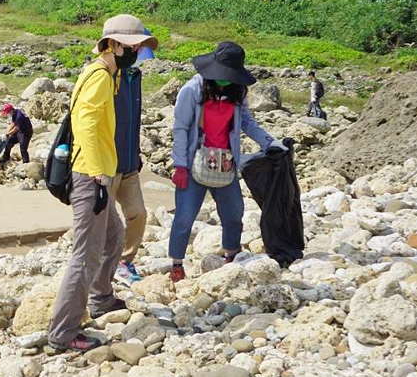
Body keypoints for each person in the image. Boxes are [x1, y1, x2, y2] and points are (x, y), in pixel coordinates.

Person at [48, 19, 146, 353]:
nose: (136, 52)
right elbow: (86, 124)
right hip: (92, 176)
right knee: (84, 256)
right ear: (114, 45)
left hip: (96, 172)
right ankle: (63, 332)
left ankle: (101, 298)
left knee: (114, 235)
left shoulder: (107, 75)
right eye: (131, 47)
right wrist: (98, 177)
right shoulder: (100, 77)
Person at [168, 41, 285, 283]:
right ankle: (177, 266)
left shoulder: (237, 91)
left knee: (234, 215)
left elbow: (247, 123)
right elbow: (180, 128)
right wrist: (179, 165)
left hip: (225, 163)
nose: (224, 80)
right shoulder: (192, 90)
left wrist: (271, 143)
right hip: (194, 164)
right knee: (184, 217)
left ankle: (231, 259)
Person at [103, 18, 158, 286]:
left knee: (138, 214)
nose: (137, 55)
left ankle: (124, 261)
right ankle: (103, 267)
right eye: (134, 49)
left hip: (129, 162)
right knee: (106, 220)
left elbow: (134, 119)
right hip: (107, 161)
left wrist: (136, 155)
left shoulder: (135, 77)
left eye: (139, 50)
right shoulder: (105, 75)